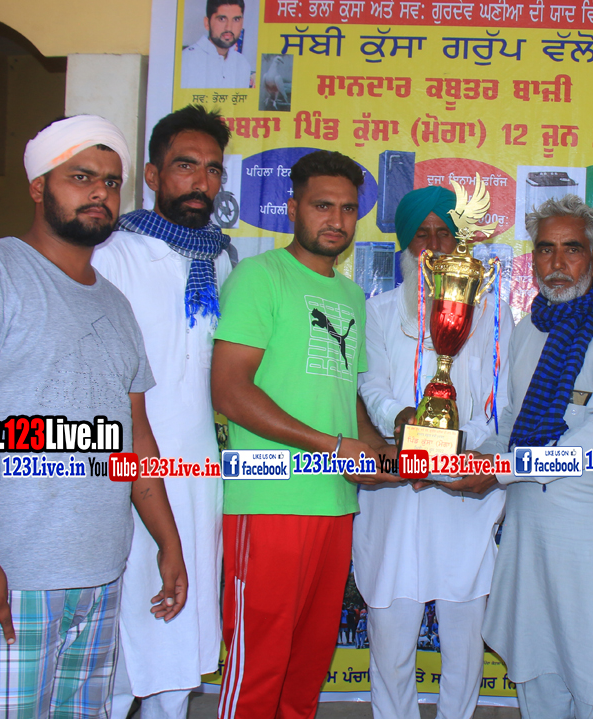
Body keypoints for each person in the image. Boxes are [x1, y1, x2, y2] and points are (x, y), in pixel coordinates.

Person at [0, 115, 187, 718]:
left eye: (110, 182)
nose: (100, 193)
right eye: (80, 177)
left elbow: (136, 441)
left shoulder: (115, 305)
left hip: (98, 577)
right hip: (7, 575)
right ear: (39, 186)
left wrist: (170, 542)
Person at [211, 149, 400, 719]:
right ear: (292, 208)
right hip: (270, 501)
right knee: (258, 668)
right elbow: (229, 391)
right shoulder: (259, 276)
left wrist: (380, 451)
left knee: (307, 667)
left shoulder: (350, 295)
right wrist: (334, 448)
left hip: (335, 503)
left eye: (347, 209)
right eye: (322, 206)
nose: (336, 220)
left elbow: (346, 398)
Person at [90, 105, 232, 719]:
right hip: (120, 474)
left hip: (197, 476)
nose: (201, 182)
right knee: (118, 649)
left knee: (177, 643)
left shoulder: (221, 261)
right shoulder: (110, 255)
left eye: (213, 170)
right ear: (152, 175)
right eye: (185, 166)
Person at [475, 195, 593, 719]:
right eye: (546, 249)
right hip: (528, 528)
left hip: (590, 533)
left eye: (572, 249)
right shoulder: (528, 330)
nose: (558, 262)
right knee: (537, 673)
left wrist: (503, 470)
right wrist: (473, 463)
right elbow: (511, 423)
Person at [354, 186, 512, 719]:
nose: (434, 245)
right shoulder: (378, 312)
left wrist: (452, 445)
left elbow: (499, 401)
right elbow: (371, 386)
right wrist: (404, 424)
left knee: (463, 644)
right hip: (394, 494)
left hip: (461, 494)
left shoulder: (491, 315)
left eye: (445, 233)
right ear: (406, 245)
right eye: (422, 235)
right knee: (390, 642)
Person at [180, 0, 253, 89]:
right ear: (207, 23)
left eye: (236, 19)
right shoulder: (185, 61)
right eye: (222, 19)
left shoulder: (243, 64)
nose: (229, 28)